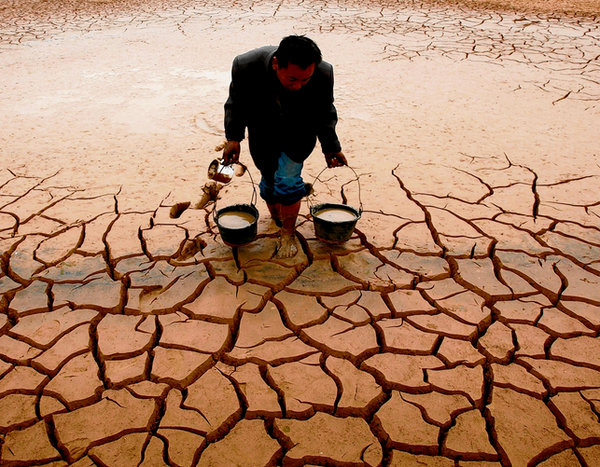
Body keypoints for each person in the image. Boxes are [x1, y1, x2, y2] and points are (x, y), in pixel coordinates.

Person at [222, 35, 347, 258]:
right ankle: (279, 218)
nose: (298, 86)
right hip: (263, 133)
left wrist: (331, 147)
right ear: (276, 63)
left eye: (305, 80)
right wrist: (234, 139)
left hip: (299, 135)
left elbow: (325, 112)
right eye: (292, 80)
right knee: (269, 183)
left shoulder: (323, 72)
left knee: (288, 182)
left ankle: (287, 232)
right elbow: (236, 104)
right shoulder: (246, 66)